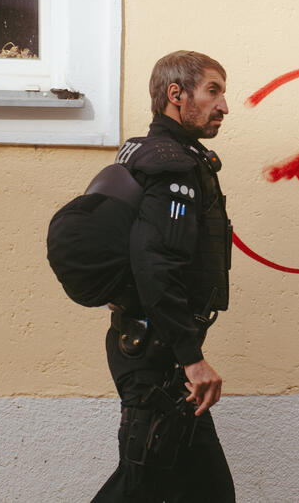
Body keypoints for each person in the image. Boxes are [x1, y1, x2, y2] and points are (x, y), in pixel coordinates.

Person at [93, 51, 235, 502]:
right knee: (139, 485)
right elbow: (155, 265)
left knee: (208, 492)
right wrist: (191, 358)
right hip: (158, 357)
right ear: (177, 95)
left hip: (157, 350)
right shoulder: (173, 166)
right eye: (213, 91)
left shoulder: (148, 151)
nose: (224, 105)